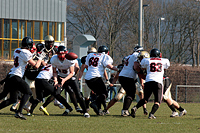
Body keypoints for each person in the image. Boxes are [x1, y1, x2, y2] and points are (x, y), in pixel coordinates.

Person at [0, 36, 46, 120]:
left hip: (11, 75)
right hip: (16, 76)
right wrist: (40, 58)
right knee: (28, 92)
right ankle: (19, 112)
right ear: (29, 45)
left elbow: (24, 58)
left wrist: (34, 53)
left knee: (12, 99)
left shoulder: (17, 50)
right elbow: (36, 66)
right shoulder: (26, 52)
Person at [40, 46, 90, 118]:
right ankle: (68, 107)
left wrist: (64, 80)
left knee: (78, 94)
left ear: (66, 53)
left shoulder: (70, 59)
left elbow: (72, 72)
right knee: (56, 93)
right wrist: (55, 80)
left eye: (63, 54)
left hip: (70, 77)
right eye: (59, 54)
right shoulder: (54, 59)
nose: (61, 56)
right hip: (60, 77)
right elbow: (54, 72)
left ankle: (85, 112)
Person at [131, 48, 170, 119]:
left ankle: (135, 107)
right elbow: (166, 68)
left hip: (148, 81)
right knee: (158, 101)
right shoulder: (165, 60)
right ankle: (151, 114)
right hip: (158, 81)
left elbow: (142, 68)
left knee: (145, 99)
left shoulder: (146, 60)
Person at [84, 45, 118, 115]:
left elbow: (87, 66)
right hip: (96, 78)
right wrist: (119, 69)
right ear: (107, 52)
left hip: (88, 79)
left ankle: (98, 110)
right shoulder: (105, 56)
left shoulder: (90, 55)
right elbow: (109, 66)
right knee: (104, 94)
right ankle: (94, 103)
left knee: (99, 94)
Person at [118, 46, 144, 116]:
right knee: (131, 94)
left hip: (122, 76)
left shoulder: (129, 56)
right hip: (128, 77)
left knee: (129, 93)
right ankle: (125, 111)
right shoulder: (136, 55)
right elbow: (135, 67)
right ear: (139, 51)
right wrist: (141, 72)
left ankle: (125, 110)